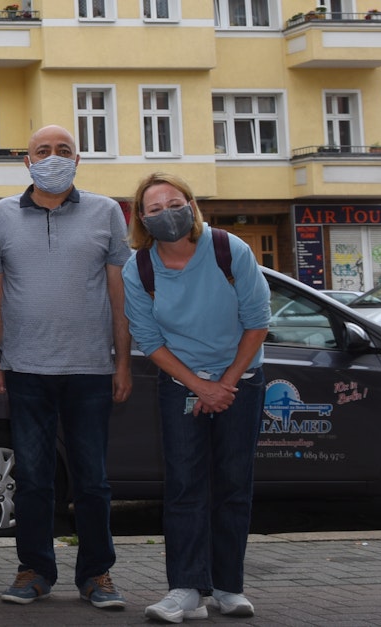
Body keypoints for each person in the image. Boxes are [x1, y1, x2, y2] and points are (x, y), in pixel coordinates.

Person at [0, 124, 133, 609]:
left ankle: (96, 575)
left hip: (91, 368)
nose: (53, 157)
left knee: (92, 480)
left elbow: (119, 291)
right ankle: (34, 571)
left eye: (63, 150)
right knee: (32, 479)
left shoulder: (107, 212)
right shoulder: (2, 214)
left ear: (78, 159)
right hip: (26, 368)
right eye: (43, 151)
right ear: (27, 161)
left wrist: (123, 361)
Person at [124, 173, 270, 624]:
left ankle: (228, 588)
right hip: (181, 383)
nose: (166, 212)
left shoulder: (230, 249)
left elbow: (258, 320)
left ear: (190, 204)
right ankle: (185, 589)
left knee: (232, 484)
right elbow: (149, 340)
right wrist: (200, 385)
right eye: (154, 208)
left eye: (174, 202)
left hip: (240, 381)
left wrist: (225, 382)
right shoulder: (139, 268)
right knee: (184, 485)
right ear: (142, 220)